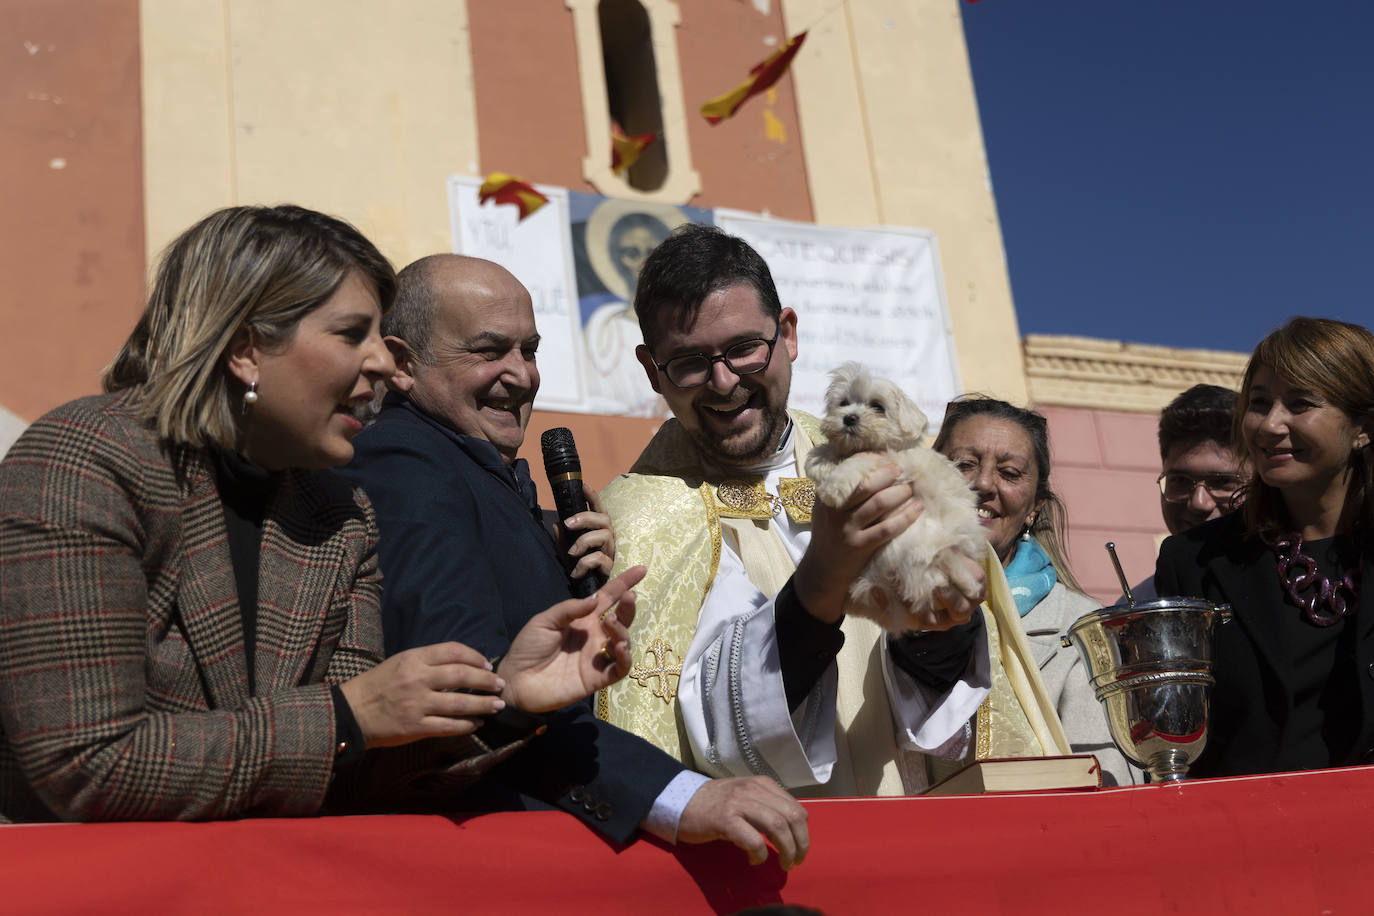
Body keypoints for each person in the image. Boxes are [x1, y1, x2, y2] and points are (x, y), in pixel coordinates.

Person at [0, 206, 641, 823]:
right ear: (247, 348)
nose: (386, 363)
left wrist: (507, 703)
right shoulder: (87, 461)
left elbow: (353, 775)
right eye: (351, 333)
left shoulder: (338, 513)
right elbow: (83, 760)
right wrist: (343, 717)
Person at [340, 254, 809, 867]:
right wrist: (677, 796)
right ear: (402, 364)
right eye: (489, 352)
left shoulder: (474, 464)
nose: (522, 375)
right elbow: (471, 685)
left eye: (529, 350)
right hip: (495, 852)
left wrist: (557, 559)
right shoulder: (405, 460)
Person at [601, 224, 1071, 797]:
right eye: (689, 362)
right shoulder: (637, 516)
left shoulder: (881, 455)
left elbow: (951, 721)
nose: (725, 383)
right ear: (652, 370)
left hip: (908, 828)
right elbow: (708, 728)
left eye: (746, 348)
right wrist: (821, 582)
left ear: (788, 334)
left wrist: (938, 635)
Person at [1155, 317, 1374, 778]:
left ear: (1363, 427)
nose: (1270, 424)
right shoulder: (1193, 561)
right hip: (1253, 834)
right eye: (1258, 403)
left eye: (1300, 403)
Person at [931, 397, 1138, 786]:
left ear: (1033, 508)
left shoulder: (1082, 628)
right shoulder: (872, 607)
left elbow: (1106, 784)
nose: (983, 484)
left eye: (1009, 472)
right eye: (963, 465)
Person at [1130, 384, 1246, 601]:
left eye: (1222, 482)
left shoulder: (1300, 590)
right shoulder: (1142, 605)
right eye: (1181, 481)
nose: (1199, 503)